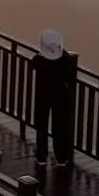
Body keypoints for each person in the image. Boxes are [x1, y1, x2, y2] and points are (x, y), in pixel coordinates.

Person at [30, 29, 74, 168]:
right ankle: (61, 157)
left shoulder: (39, 59)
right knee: (60, 126)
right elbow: (70, 76)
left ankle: (41, 156)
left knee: (41, 125)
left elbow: (32, 66)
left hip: (43, 95)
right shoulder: (65, 57)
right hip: (61, 96)